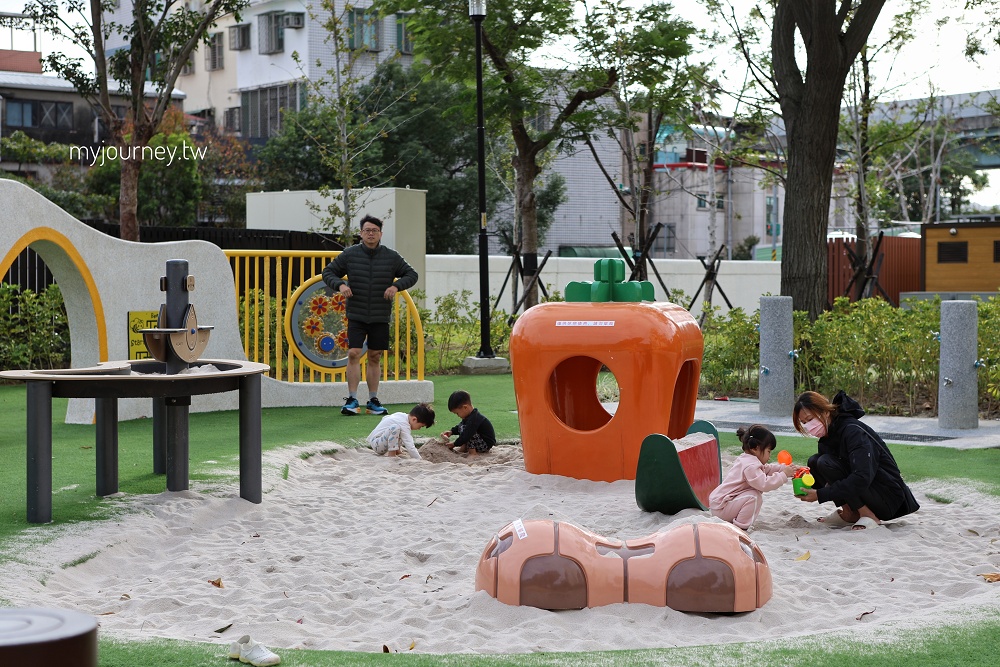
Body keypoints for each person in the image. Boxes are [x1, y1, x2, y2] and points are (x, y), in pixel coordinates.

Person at [322, 214, 419, 416]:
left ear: (380, 234)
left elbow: (412, 275)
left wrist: (395, 286)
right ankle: (352, 399)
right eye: (367, 230)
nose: (371, 234)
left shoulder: (391, 257)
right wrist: (340, 285)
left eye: (374, 231)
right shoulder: (350, 254)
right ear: (361, 233)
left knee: (374, 356)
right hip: (356, 313)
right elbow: (328, 272)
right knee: (353, 353)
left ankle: (373, 400)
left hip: (380, 315)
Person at [792, 390, 920, 530]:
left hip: (889, 497)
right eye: (804, 423)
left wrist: (820, 494)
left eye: (810, 419)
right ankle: (850, 513)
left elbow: (862, 477)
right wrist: (805, 479)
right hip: (869, 491)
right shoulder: (827, 437)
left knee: (825, 462)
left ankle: (868, 515)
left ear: (826, 412)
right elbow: (829, 478)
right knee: (815, 461)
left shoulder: (853, 431)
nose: (808, 426)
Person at [709, 424, 794, 531]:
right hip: (722, 508)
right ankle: (740, 527)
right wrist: (784, 475)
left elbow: (767, 469)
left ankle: (737, 522)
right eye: (768, 451)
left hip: (720, 506)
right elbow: (764, 484)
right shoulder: (750, 466)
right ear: (755, 449)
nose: (769, 456)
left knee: (753, 495)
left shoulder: (748, 460)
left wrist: (786, 469)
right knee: (754, 496)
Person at [367, 402, 435, 460]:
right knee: (395, 428)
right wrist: (419, 459)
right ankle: (392, 455)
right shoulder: (404, 424)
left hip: (378, 440)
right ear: (414, 419)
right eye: (421, 426)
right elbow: (410, 446)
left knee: (399, 430)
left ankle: (397, 451)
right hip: (378, 445)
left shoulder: (401, 416)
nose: (419, 429)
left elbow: (385, 418)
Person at [440, 390, 496, 457]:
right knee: (463, 427)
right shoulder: (469, 417)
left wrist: (454, 444)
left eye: (457, 413)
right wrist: (452, 432)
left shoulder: (475, 418)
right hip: (479, 441)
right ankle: (463, 448)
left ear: (465, 407)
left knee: (467, 431)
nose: (457, 415)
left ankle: (473, 453)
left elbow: (467, 434)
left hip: (485, 445)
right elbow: (460, 426)